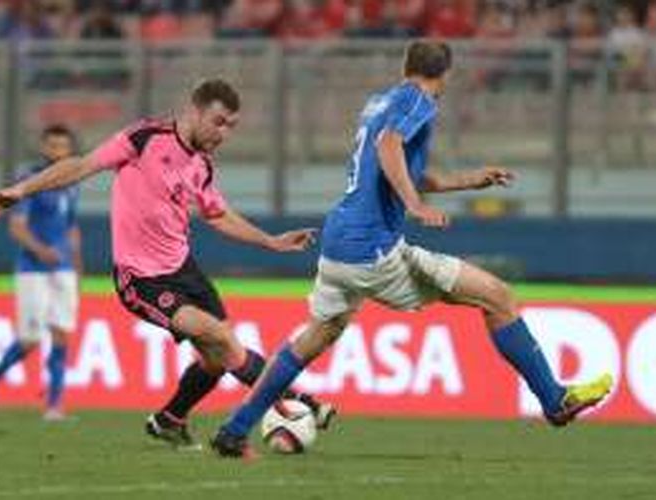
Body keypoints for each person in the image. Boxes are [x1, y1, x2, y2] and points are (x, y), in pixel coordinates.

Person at [210, 40, 614, 458]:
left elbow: (395, 166)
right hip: (374, 251)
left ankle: (234, 429)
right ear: (447, 75)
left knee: (315, 336)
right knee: (498, 297)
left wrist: (468, 180)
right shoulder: (421, 100)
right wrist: (416, 206)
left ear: (405, 65)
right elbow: (389, 148)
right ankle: (554, 400)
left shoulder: (378, 102)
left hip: (338, 243)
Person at [0, 79, 334, 448]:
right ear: (194, 112)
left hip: (184, 269)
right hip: (141, 278)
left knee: (215, 359)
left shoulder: (201, 166)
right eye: (218, 121)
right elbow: (81, 166)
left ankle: (170, 419)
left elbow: (218, 215)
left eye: (231, 126)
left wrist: (270, 241)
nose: (224, 133)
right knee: (221, 338)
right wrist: (21, 190)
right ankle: (298, 401)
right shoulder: (144, 137)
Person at [0, 125, 82, 421]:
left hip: (63, 270)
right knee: (31, 339)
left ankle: (54, 406)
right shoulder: (31, 181)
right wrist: (40, 250)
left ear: (69, 149)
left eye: (63, 146)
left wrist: (77, 266)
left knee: (62, 334)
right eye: (52, 145)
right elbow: (17, 227)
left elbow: (72, 227)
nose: (57, 151)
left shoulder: (73, 182)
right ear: (43, 147)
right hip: (33, 270)